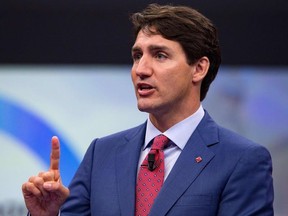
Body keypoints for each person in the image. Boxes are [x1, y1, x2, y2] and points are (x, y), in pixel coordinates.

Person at [22, 3, 274, 216]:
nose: (141, 69)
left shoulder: (241, 160)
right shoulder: (102, 154)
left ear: (199, 69)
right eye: (137, 55)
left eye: (160, 55)